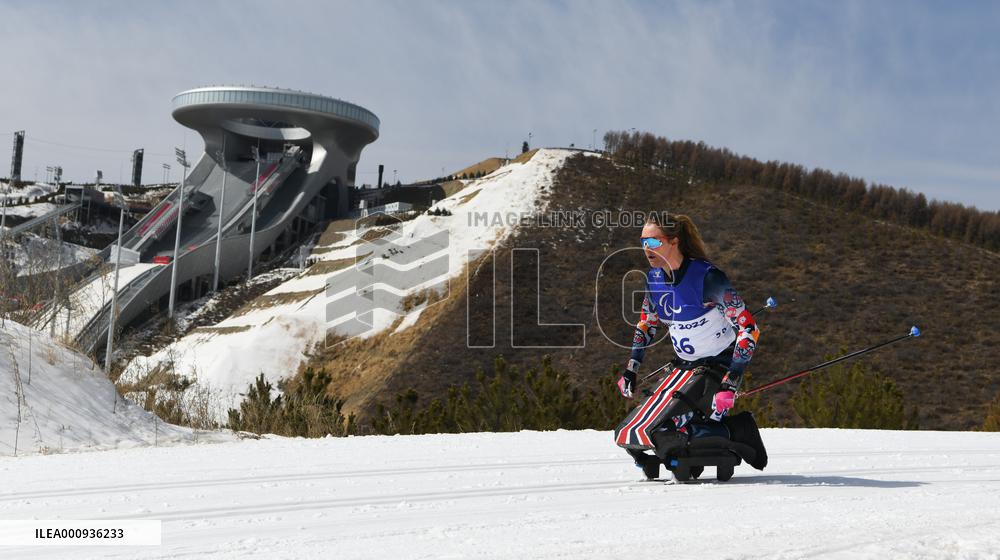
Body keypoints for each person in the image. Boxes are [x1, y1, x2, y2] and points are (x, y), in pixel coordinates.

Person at [614, 213, 765, 477]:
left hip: (718, 363)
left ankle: (737, 431)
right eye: (642, 243)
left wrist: (731, 381)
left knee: (666, 431)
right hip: (685, 366)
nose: (646, 249)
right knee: (627, 432)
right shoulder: (654, 280)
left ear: (674, 241)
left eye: (653, 242)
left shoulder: (708, 277)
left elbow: (748, 329)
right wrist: (631, 369)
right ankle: (672, 453)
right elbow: (647, 324)